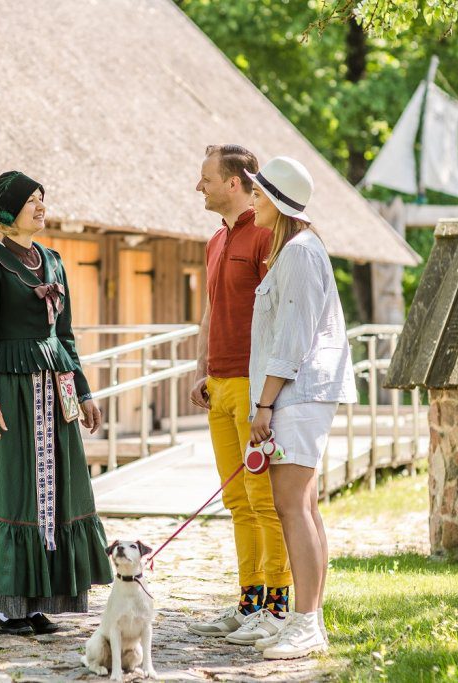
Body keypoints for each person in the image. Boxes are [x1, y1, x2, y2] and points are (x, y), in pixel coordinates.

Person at [0, 171, 112, 636]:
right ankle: (2, 605)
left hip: (53, 393)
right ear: (9, 212)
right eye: (32, 200)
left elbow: (65, 336)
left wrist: (85, 392)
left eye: (42, 198)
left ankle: (34, 602)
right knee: (9, 490)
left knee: (49, 498)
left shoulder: (53, 261)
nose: (41, 206)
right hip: (9, 393)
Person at [243, 156, 357, 659]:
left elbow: (290, 339)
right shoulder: (295, 250)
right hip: (298, 394)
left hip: (298, 394)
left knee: (293, 507)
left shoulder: (300, 254)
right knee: (303, 508)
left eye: (258, 193)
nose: (252, 200)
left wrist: (263, 404)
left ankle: (308, 623)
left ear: (276, 201)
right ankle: (308, 617)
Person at [186, 145, 294, 647]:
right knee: (236, 502)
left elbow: (281, 316)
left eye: (206, 178)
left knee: (263, 500)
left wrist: (268, 396)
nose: (199, 186)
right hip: (220, 385)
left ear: (234, 182)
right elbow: (211, 311)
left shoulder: (267, 236)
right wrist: (202, 368)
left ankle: (278, 605)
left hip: (254, 387)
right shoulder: (213, 241)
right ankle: (248, 604)